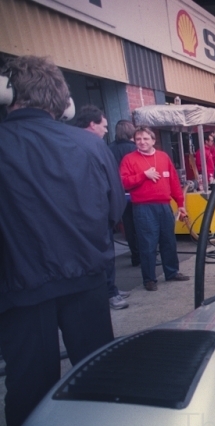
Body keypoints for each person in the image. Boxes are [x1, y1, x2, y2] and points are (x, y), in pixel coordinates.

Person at [0, 55, 125, 426]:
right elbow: (115, 211)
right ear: (64, 103)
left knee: (28, 390)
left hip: (20, 290)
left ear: (8, 95)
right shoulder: (90, 145)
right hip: (88, 283)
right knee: (97, 377)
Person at [120, 126, 190, 291]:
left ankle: (172, 272)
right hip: (143, 208)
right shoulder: (129, 159)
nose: (142, 142)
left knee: (169, 241)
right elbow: (123, 182)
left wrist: (180, 204)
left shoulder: (163, 157)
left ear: (153, 140)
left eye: (145, 139)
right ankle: (149, 279)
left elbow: (173, 182)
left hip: (164, 206)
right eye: (138, 139)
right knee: (148, 244)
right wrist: (144, 175)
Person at [76, 106, 130, 310]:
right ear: (92, 124)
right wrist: (113, 215)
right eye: (104, 126)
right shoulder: (93, 147)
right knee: (101, 257)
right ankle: (107, 293)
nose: (107, 131)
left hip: (95, 215)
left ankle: (111, 289)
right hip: (95, 216)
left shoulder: (97, 146)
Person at [109, 120, 140, 269]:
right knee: (140, 225)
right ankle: (142, 255)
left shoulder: (109, 148)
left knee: (127, 225)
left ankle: (135, 254)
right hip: (135, 190)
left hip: (119, 192)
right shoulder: (134, 149)